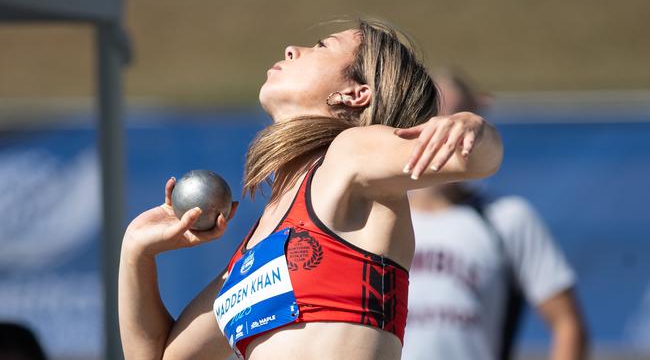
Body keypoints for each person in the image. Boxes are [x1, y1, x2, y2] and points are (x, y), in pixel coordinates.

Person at [118, 20, 504, 360]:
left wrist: (472, 126)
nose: (292, 49)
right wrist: (136, 251)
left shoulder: (350, 154)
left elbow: (475, 160)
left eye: (322, 46)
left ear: (356, 94)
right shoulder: (257, 247)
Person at [401, 69, 588, 360]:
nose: (443, 133)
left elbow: (567, 323)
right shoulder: (376, 216)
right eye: (430, 115)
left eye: (455, 118)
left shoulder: (506, 219)